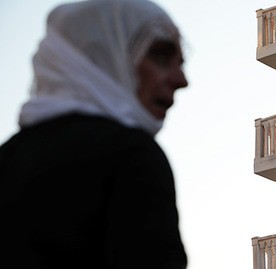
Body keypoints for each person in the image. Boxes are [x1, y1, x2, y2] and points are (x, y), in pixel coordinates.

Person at [0, 0, 188, 268]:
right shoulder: (130, 156)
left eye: (180, 61)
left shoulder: (7, 159)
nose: (181, 79)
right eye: (160, 56)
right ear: (102, 56)